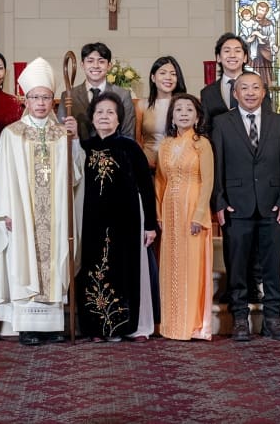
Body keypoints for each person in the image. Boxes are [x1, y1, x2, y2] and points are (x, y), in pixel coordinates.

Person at [0, 57, 85, 346]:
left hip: (54, 217)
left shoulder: (61, 133)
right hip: (23, 215)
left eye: (45, 97)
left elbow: (76, 175)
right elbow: (2, 176)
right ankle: (27, 327)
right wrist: (4, 213)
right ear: (24, 99)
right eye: (34, 97)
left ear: (53, 101)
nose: (40, 102)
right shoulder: (12, 134)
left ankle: (52, 326)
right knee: (24, 263)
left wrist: (75, 140)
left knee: (53, 263)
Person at [211, 71, 280, 342]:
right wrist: (220, 202)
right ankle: (239, 319)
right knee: (236, 265)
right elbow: (217, 165)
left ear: (263, 92)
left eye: (255, 88)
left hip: (272, 206)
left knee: (272, 265)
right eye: (243, 88)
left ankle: (272, 317)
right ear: (235, 93)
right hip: (236, 205)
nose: (249, 92)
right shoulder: (222, 123)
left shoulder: (279, 122)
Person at [79, 92, 158, 342]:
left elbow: (147, 187)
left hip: (126, 221)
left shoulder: (130, 147)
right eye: (99, 112)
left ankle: (126, 326)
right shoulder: (84, 148)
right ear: (92, 118)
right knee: (94, 270)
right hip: (92, 221)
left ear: (119, 118)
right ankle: (97, 328)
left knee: (124, 271)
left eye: (110, 112)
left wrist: (150, 225)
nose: (104, 117)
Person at [200, 33, 264, 306]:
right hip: (222, 165)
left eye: (238, 50)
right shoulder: (208, 93)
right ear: (218, 57)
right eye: (226, 51)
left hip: (252, 167)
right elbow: (204, 128)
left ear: (245, 56)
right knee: (230, 228)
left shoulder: (258, 87)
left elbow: (265, 125)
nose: (232, 55)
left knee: (256, 229)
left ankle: (254, 282)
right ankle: (233, 282)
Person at [155, 94, 214, 341]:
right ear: (172, 116)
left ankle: (193, 325)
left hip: (193, 208)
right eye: (178, 109)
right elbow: (160, 180)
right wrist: (159, 214)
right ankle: (171, 324)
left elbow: (208, 180)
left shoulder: (202, 144)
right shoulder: (166, 145)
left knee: (191, 265)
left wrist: (199, 215)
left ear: (197, 116)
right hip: (170, 210)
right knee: (171, 267)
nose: (183, 113)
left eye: (189, 109)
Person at [58, 42, 135, 141]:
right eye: (90, 61)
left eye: (101, 61)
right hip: (79, 154)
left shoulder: (123, 95)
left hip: (113, 154)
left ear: (109, 66)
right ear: (82, 65)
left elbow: (128, 135)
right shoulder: (68, 95)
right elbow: (62, 133)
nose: (96, 66)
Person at [135, 56, 187, 169]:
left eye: (173, 74)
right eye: (162, 73)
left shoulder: (185, 105)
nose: (168, 77)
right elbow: (136, 139)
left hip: (177, 165)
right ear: (153, 78)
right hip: (148, 165)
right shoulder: (142, 105)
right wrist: (143, 161)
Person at [247, 0, 279, 91]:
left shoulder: (269, 24)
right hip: (253, 53)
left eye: (263, 10)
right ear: (256, 9)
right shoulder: (250, 21)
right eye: (259, 9)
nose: (261, 12)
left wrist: (273, 46)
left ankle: (266, 92)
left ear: (266, 12)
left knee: (266, 76)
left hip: (265, 53)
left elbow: (272, 37)